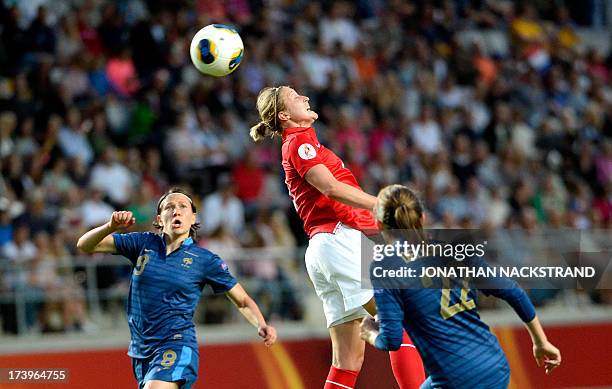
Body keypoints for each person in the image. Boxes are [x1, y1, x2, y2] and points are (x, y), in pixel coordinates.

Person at [250, 86, 425, 389]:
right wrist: (382, 202)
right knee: (403, 321)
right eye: (295, 97)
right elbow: (329, 187)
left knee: (346, 361)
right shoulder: (299, 141)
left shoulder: (304, 143)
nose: (304, 97)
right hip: (338, 240)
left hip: (323, 247)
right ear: (284, 115)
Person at [360, 184, 562, 388]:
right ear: (422, 218)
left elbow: (391, 340)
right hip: (495, 366)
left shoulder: (384, 267)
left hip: (455, 381)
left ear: (378, 224)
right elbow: (513, 292)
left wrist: (370, 334)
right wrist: (540, 341)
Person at [76, 187, 277, 389]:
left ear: (193, 217)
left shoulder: (205, 260)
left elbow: (241, 300)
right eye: (169, 207)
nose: (176, 211)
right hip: (141, 350)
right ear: (159, 219)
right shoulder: (143, 243)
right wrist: (110, 226)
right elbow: (85, 245)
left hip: (176, 343)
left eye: (182, 206)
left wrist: (261, 324)